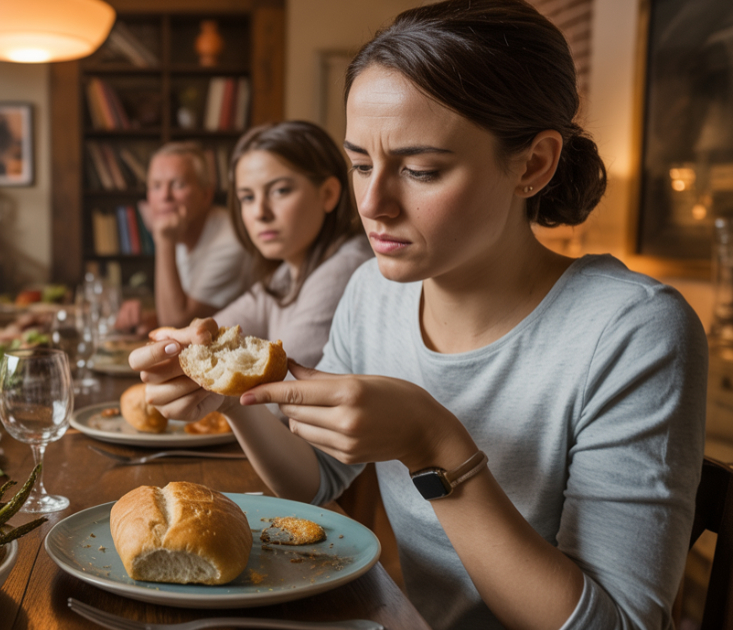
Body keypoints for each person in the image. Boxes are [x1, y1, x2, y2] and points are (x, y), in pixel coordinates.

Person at [131, 2, 706, 629]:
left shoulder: (633, 331)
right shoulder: (373, 291)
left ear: (533, 164)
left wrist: (434, 446)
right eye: (358, 164)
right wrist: (226, 393)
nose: (373, 204)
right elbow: (315, 480)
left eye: (421, 170)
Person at [214, 121, 372, 369]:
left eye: (279, 191)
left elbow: (281, 392)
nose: (260, 212)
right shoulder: (288, 271)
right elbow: (211, 335)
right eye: (247, 197)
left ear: (328, 194)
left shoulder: (347, 267)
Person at [142, 142, 251, 327]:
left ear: (206, 194)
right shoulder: (181, 227)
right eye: (156, 186)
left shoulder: (231, 241)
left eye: (178, 184)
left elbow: (177, 322)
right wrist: (147, 318)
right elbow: (195, 308)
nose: (164, 196)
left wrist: (165, 242)